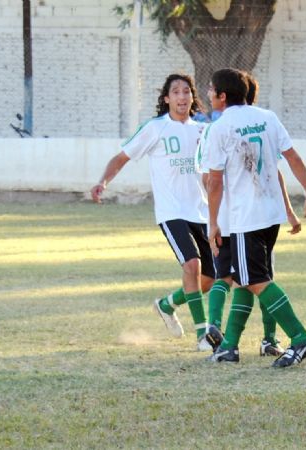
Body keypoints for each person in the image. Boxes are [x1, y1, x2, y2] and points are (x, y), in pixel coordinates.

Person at [201, 68, 306, 367]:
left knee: (256, 281)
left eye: (210, 89)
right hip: (270, 214)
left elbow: (214, 182)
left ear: (222, 96)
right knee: (244, 280)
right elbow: (292, 158)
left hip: (246, 216)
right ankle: (229, 347)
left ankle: (300, 337)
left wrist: (213, 222)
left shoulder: (219, 128)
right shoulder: (267, 117)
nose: (208, 94)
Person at [91, 73, 214, 350]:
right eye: (176, 92)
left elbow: (209, 173)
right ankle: (202, 336)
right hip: (172, 212)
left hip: (201, 212)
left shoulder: (202, 131)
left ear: (192, 97)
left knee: (209, 279)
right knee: (191, 265)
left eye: (187, 92)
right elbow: (121, 157)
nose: (182, 97)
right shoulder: (155, 128)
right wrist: (103, 181)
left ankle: (166, 305)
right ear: (167, 98)